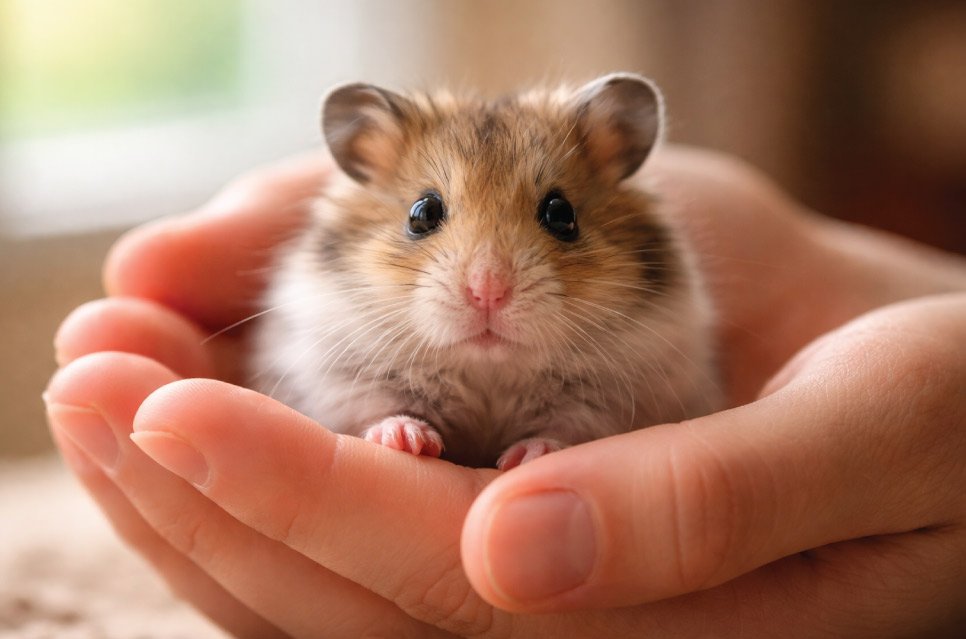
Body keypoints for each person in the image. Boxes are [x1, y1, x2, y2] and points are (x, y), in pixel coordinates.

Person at [45, 146, 966, 638]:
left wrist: (573, 437)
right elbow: (292, 369)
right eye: (428, 217)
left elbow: (671, 395)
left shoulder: (662, 302)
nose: (486, 280)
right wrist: (381, 418)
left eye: (555, 216)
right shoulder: (321, 291)